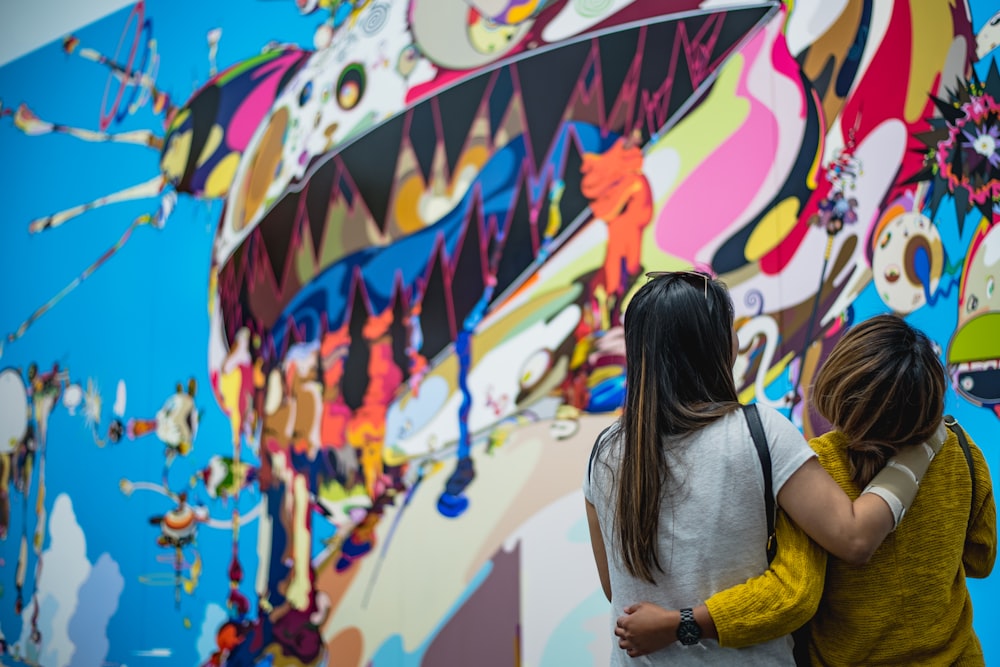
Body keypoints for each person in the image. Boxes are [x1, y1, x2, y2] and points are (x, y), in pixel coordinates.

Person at [584, 273, 948, 665]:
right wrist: (923, 446)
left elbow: (613, 587)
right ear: (716, 345)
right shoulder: (758, 433)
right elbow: (854, 538)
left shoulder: (604, 452)